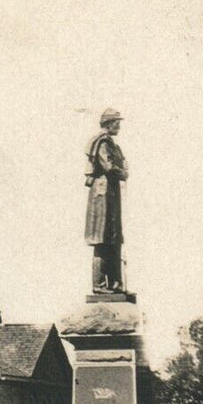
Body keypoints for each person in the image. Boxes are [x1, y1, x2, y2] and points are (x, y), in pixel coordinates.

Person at [85, 108, 127, 293]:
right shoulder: (102, 142)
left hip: (110, 193)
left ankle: (115, 284)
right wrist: (123, 173)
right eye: (117, 122)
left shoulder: (111, 143)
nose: (119, 125)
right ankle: (100, 285)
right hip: (102, 194)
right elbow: (109, 166)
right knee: (102, 240)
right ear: (109, 123)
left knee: (113, 239)